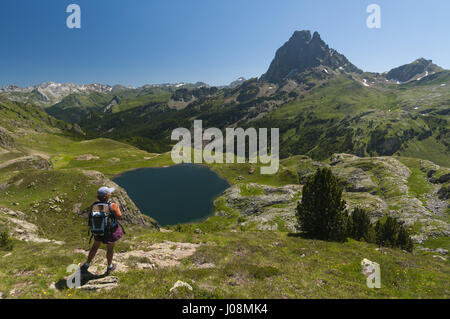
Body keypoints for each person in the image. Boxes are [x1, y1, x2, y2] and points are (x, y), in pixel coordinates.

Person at [80, 186, 124, 275]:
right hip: (109, 232)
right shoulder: (112, 205)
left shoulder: (94, 205)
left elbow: (89, 216)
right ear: (107, 196)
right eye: (109, 193)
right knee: (110, 248)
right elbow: (119, 216)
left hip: (98, 231)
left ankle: (87, 264)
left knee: (95, 247)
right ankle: (109, 267)